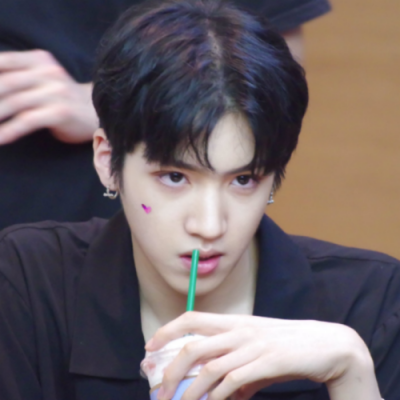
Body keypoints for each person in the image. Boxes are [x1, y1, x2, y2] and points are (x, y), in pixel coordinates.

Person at [1, 1, 396, 399]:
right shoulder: (26, 284)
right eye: (174, 177)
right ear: (107, 160)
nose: (209, 226)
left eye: (243, 180)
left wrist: (352, 377)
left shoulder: (369, 303)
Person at [0, 0, 330, 230]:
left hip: (90, 193)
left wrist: (106, 101)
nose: (209, 227)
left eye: (244, 180)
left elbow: (273, 59)